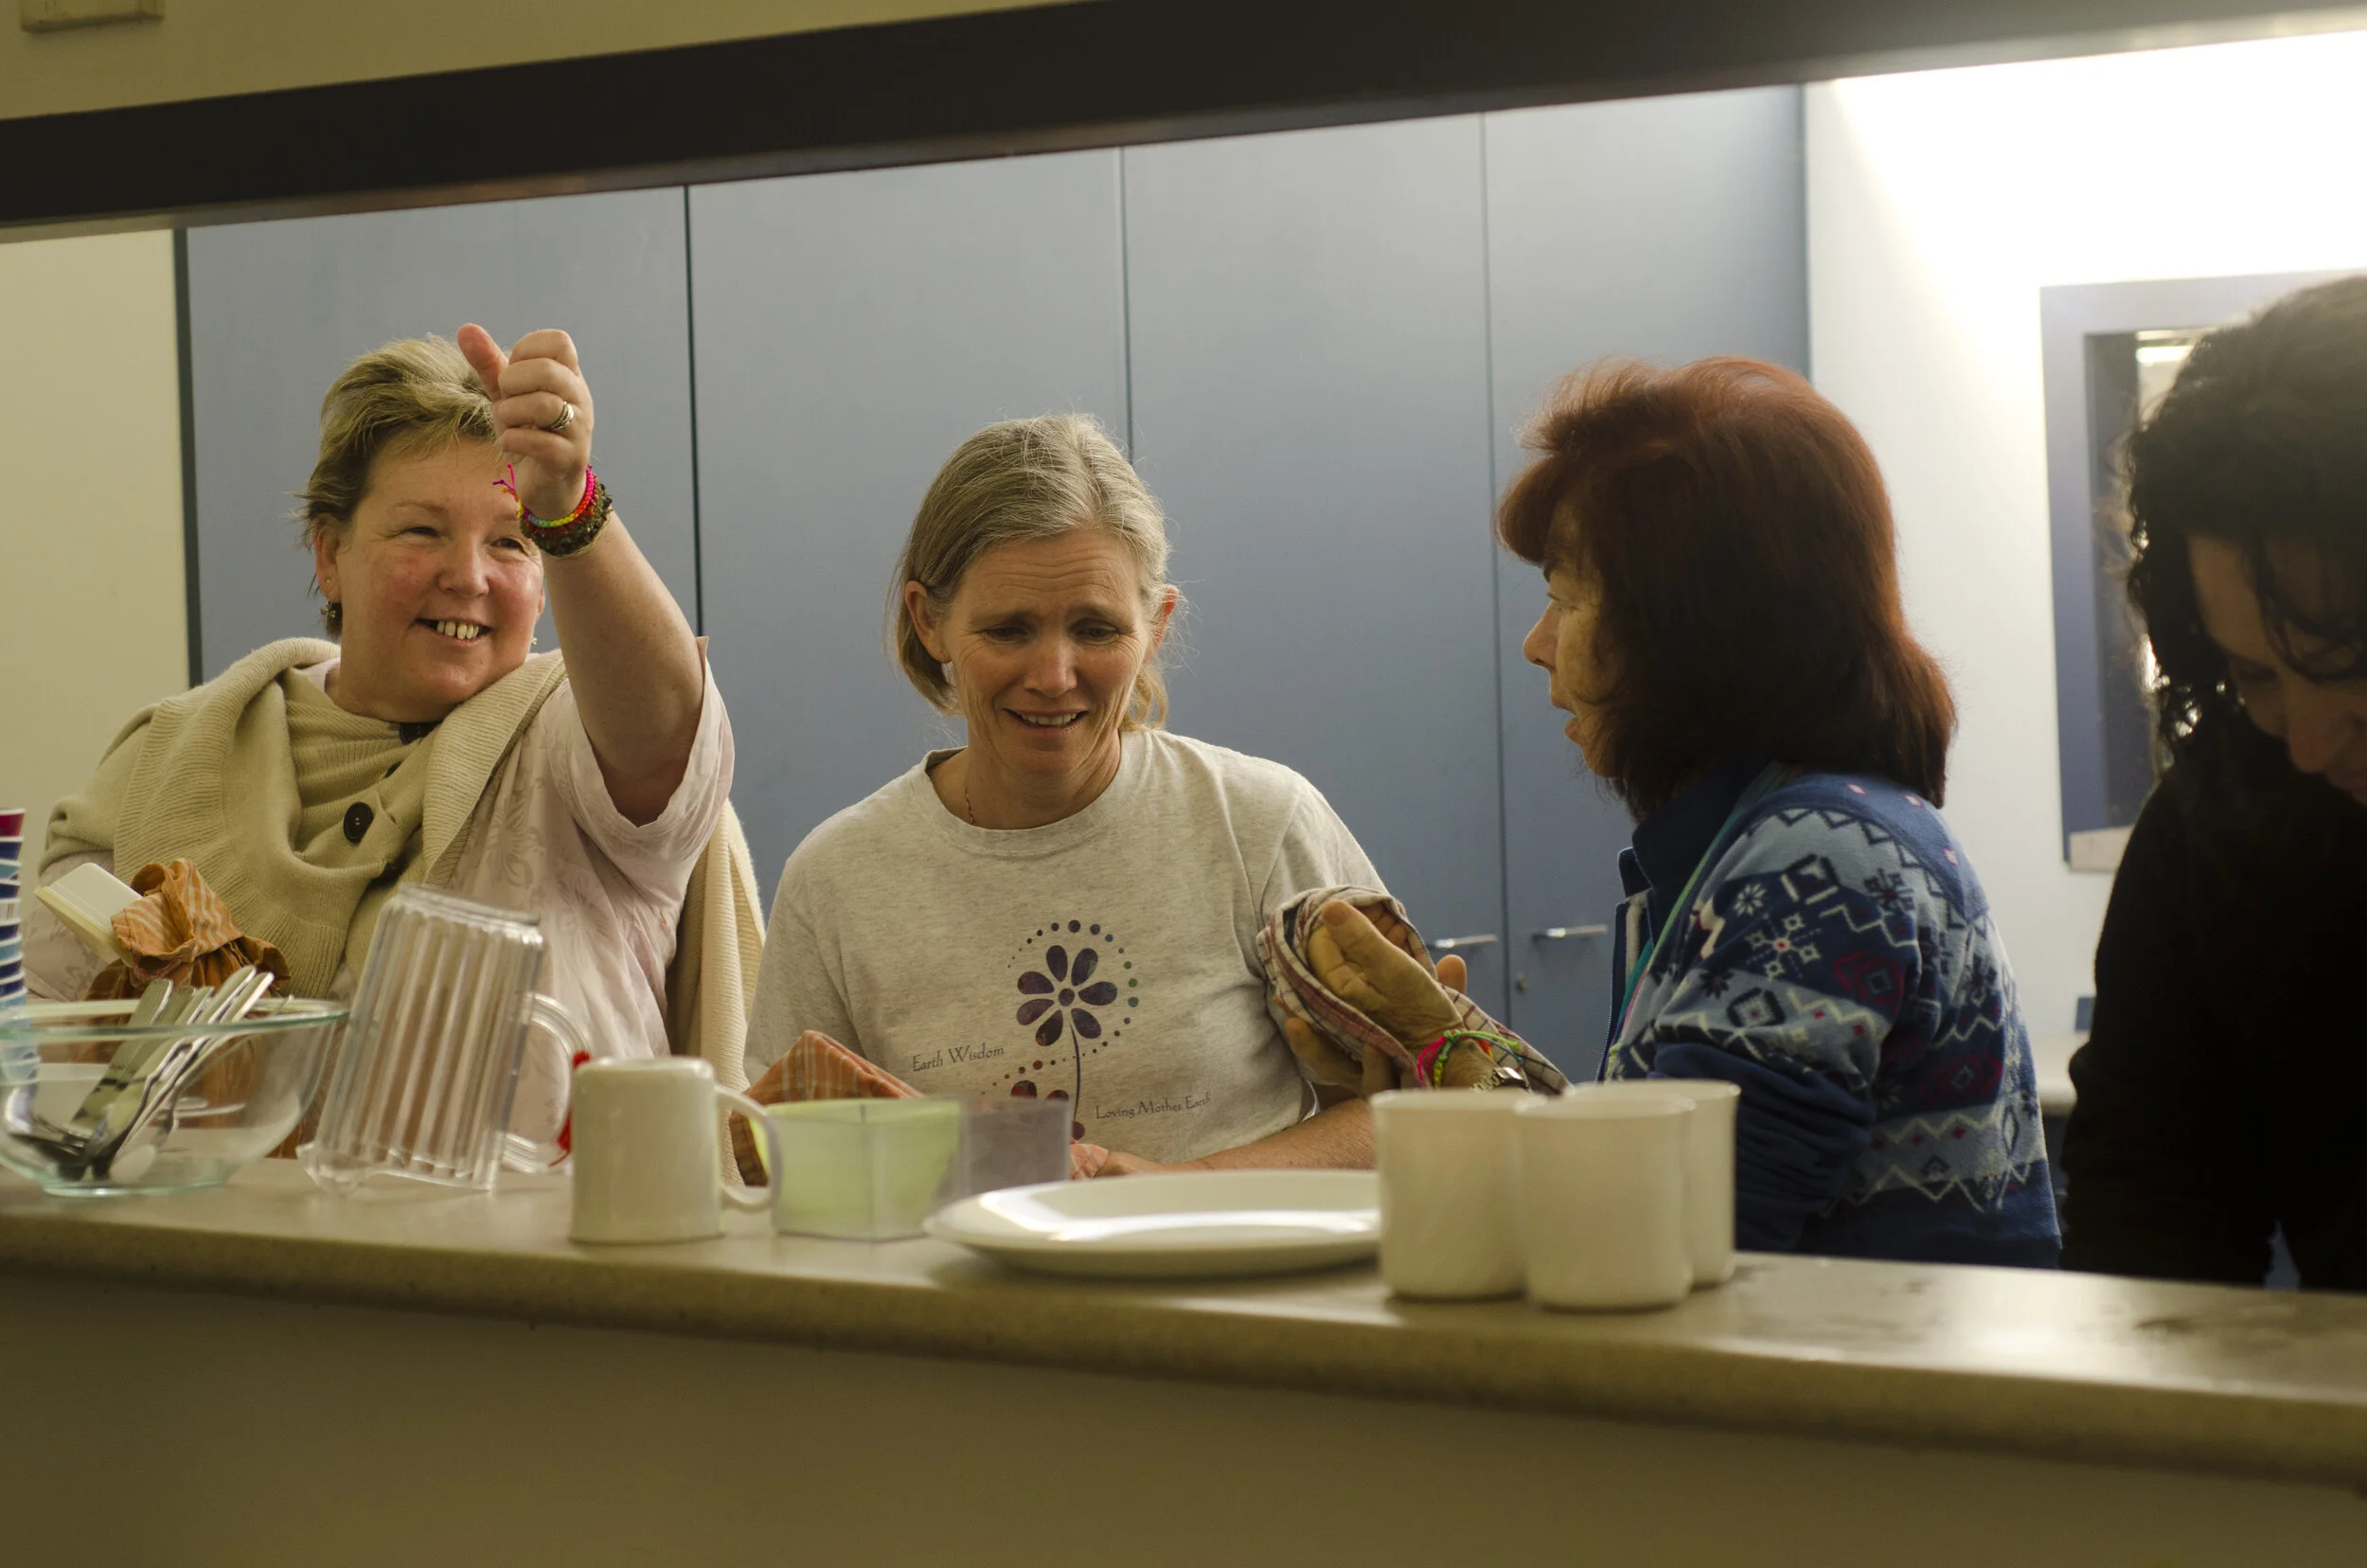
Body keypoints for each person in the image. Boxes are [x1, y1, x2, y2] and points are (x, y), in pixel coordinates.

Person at [1325, 357, 2056, 1265]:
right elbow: (1643, 1178)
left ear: (1689, 630)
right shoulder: (1772, 840)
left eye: (1566, 599)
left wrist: (1449, 1079)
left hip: (1856, 1397)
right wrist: (1443, 1047)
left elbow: (1664, 1240)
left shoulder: (1814, 862)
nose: (1536, 644)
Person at [27, 329, 745, 1142]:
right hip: (207, 1255)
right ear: (329, 556)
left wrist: (569, 506)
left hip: (542, 1265)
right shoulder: (165, 756)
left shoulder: (571, 738)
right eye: (421, 531)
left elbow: (665, 738)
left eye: (511, 541)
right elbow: (48, 1047)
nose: (468, 575)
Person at [741, 415, 1408, 1174]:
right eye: (1009, 630)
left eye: (1095, 630)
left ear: (1155, 627)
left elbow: (1414, 1108)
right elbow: (775, 1153)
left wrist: (1182, 1190)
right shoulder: (841, 878)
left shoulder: (1257, 823)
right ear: (930, 622)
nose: (1054, 675)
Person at [2062, 276, 2367, 1291]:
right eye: (2256, 676)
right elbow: (2147, 1219)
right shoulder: (2214, 831)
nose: (2312, 743)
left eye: (2351, 669)